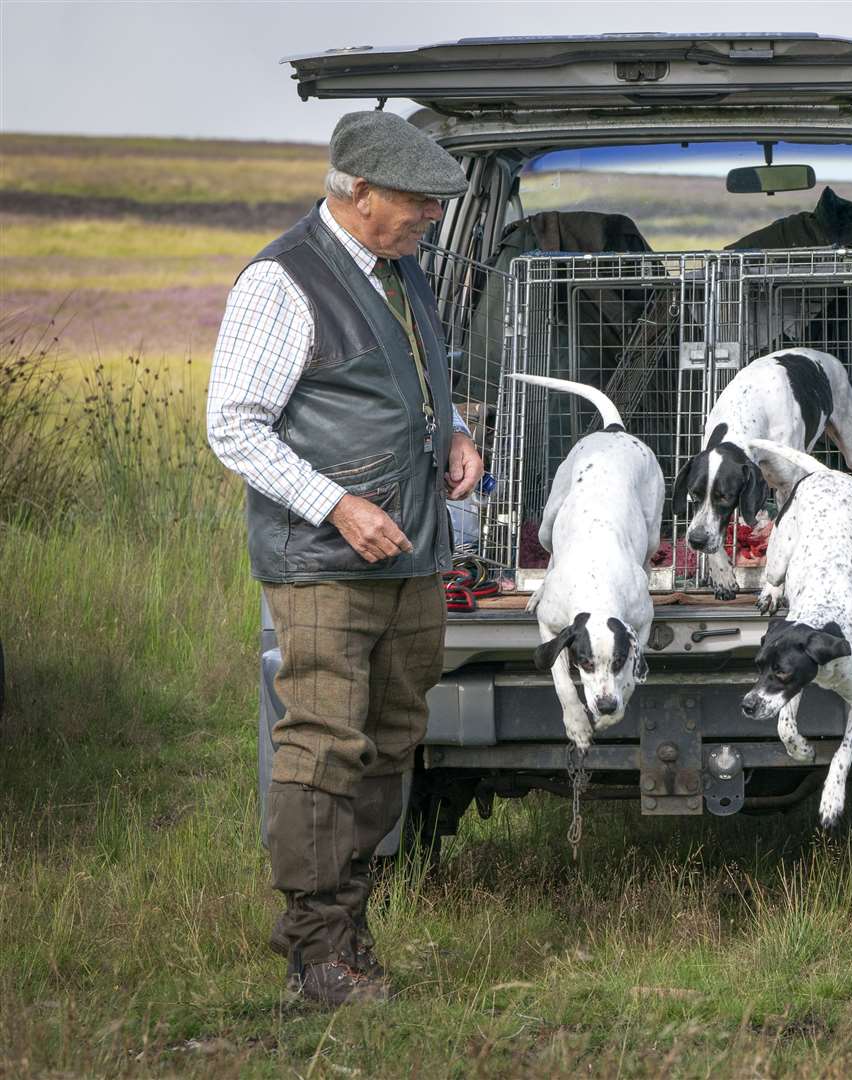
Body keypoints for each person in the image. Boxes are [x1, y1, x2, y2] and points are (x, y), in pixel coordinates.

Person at [206, 110, 482, 1006]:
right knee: (324, 743)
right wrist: (337, 504)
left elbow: (413, 376)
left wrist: (459, 433)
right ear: (355, 192)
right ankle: (315, 955)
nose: (430, 217)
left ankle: (350, 927)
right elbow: (233, 425)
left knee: (393, 741)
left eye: (438, 203)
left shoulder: (404, 270)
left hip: (409, 554)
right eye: (416, 201)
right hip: (326, 560)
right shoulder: (283, 281)